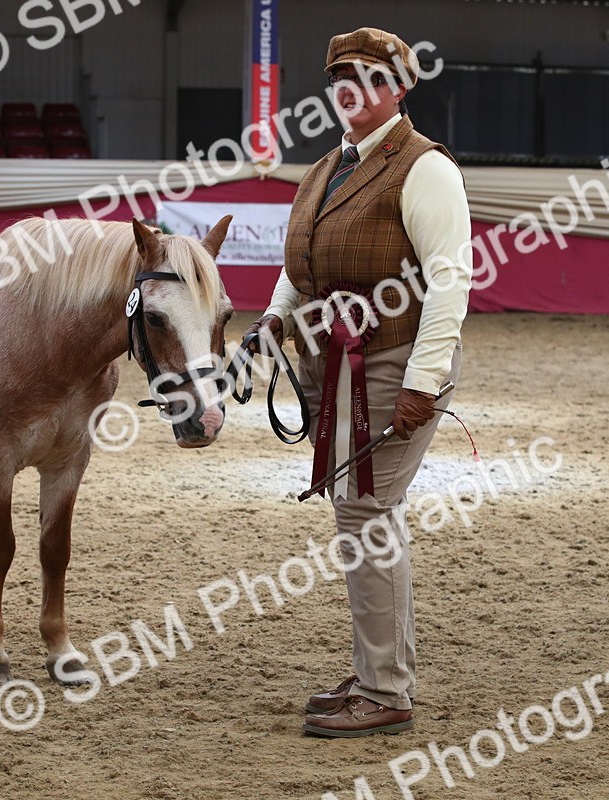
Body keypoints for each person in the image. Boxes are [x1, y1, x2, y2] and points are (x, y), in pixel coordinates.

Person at [245, 27, 473, 737]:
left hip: (389, 366)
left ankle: (385, 690)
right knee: (370, 517)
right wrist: (278, 320)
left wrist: (422, 382)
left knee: (364, 518)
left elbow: (450, 280)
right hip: (335, 367)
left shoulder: (425, 168)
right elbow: (299, 261)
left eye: (373, 78)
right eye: (344, 76)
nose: (355, 89)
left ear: (399, 89)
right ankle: (382, 670)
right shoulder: (326, 168)